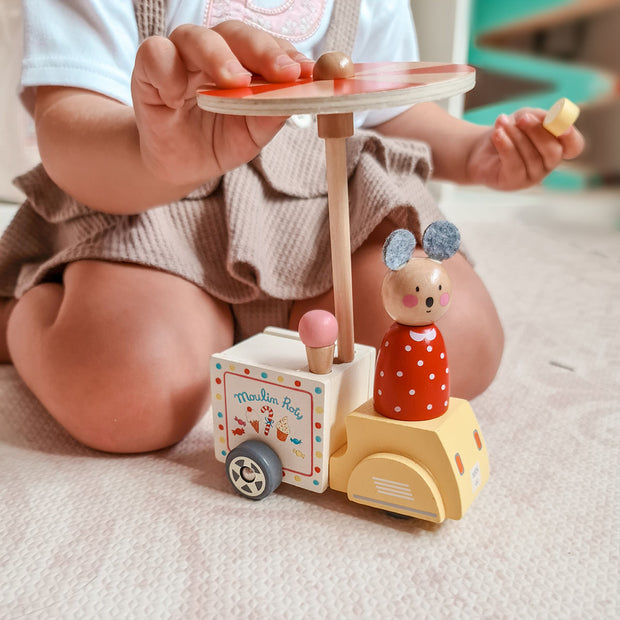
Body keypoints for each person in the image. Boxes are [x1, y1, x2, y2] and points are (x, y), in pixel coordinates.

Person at [0, 0, 584, 453]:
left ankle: (263, 330)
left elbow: (386, 105)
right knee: (125, 393)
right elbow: (68, 121)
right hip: (151, 205)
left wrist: (477, 151)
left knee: (452, 342)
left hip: (324, 202)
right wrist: (157, 158)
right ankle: (25, 311)